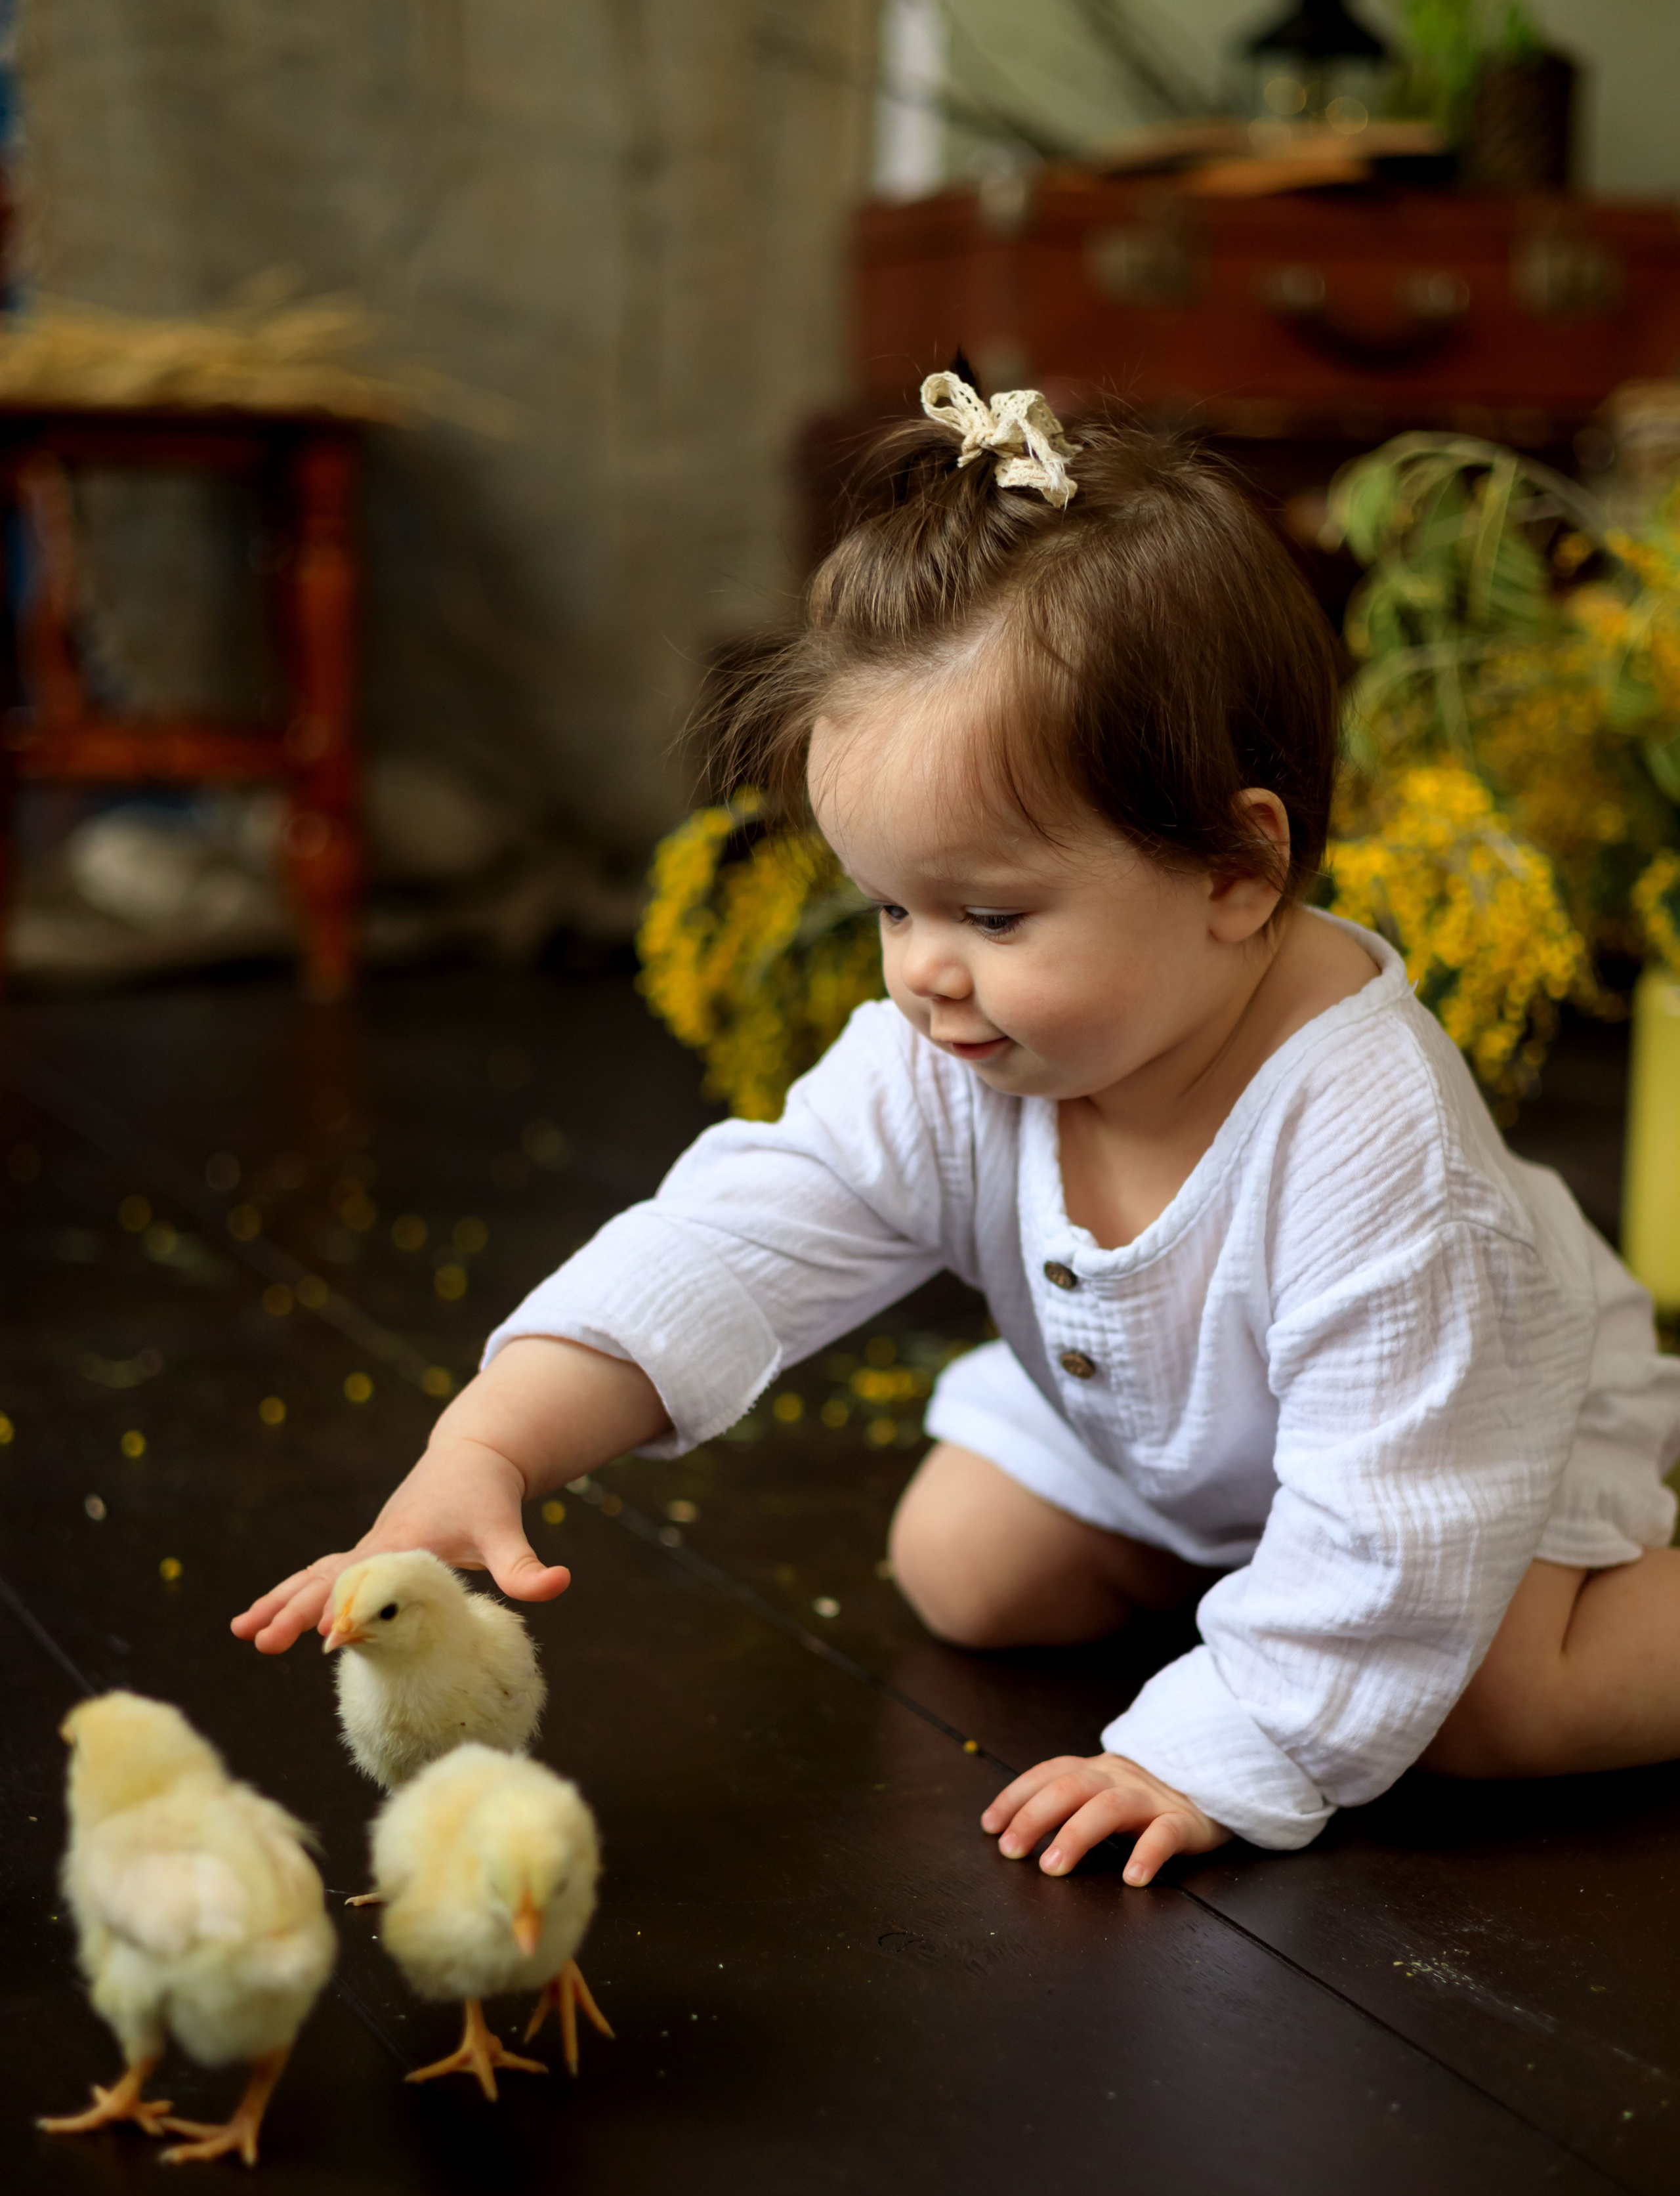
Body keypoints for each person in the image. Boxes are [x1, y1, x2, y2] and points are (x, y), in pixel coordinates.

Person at [234, 373, 1680, 1884]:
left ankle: (1480, 1626)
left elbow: (1400, 1521)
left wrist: (1210, 1745)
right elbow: (737, 1239)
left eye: (990, 911)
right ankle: (1259, 1577)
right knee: (969, 1570)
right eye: (888, 905)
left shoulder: (1378, 1157)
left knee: (1486, 1709)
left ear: (1236, 871)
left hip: (1464, 1441)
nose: (923, 968)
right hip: (1195, 1437)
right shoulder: (964, 1047)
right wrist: (496, 1439)